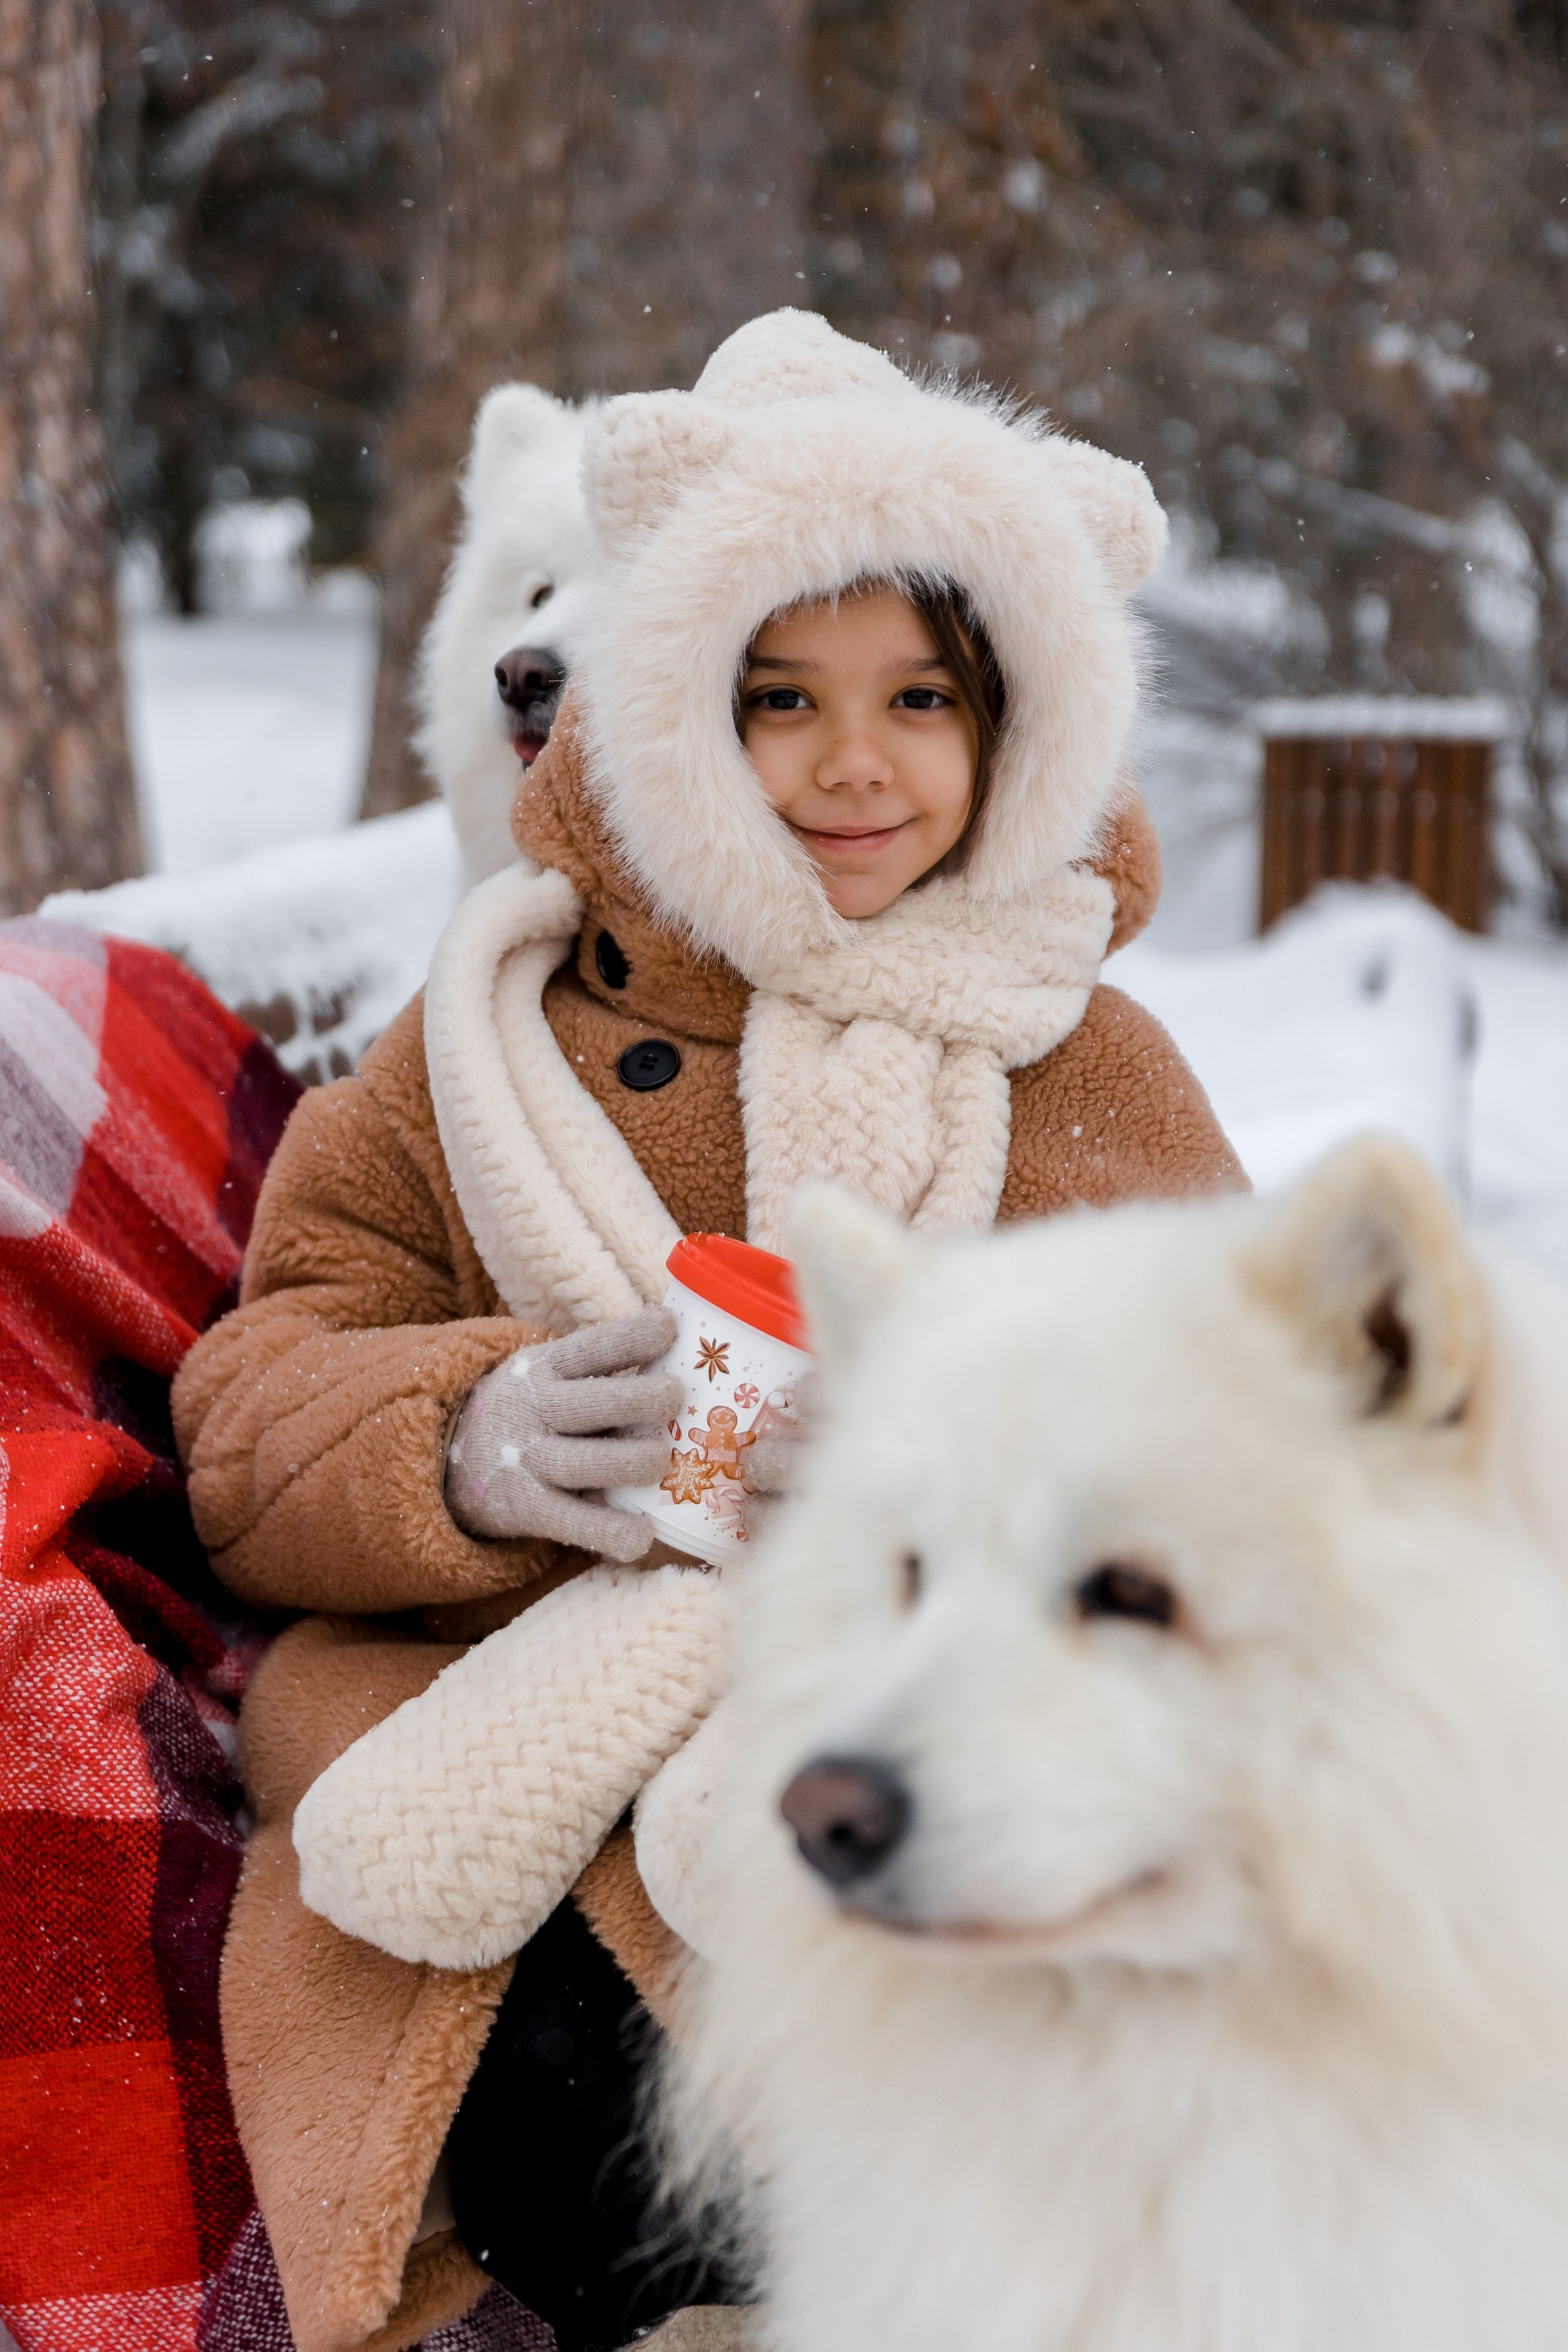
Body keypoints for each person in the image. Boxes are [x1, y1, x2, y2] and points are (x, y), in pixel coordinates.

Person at [173, 308, 1244, 2352]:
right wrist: (472, 1439)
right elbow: (255, 1409)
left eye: (921, 697)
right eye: (778, 699)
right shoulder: (482, 1039)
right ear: (671, 712)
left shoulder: (1094, 1072)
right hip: (516, 1758)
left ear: (1022, 722)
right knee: (581, 2110)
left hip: (917, 1749)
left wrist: (950, 1477)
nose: (855, 764)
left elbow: (1235, 1457)